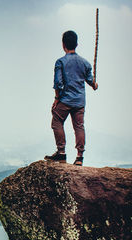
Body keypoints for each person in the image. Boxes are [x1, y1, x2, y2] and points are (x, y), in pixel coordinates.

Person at [45, 30, 98, 166]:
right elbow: (90, 80)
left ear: (63, 45)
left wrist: (57, 98)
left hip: (65, 99)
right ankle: (79, 157)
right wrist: (94, 84)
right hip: (79, 101)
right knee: (79, 126)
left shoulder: (60, 62)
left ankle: (61, 153)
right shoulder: (85, 63)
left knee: (56, 122)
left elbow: (58, 83)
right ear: (77, 44)